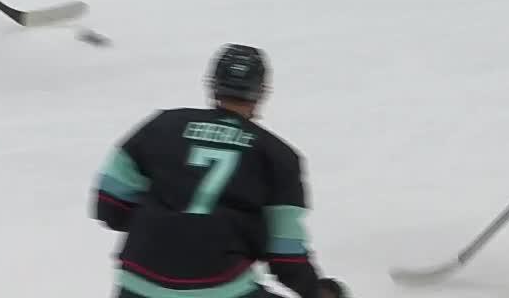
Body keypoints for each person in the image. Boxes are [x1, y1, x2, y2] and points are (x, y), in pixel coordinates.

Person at [91, 44, 349, 298]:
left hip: (138, 284)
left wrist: (164, 227)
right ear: (261, 92)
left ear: (212, 84)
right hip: (220, 288)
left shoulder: (161, 126)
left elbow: (109, 206)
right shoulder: (277, 155)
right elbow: (285, 254)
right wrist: (315, 291)